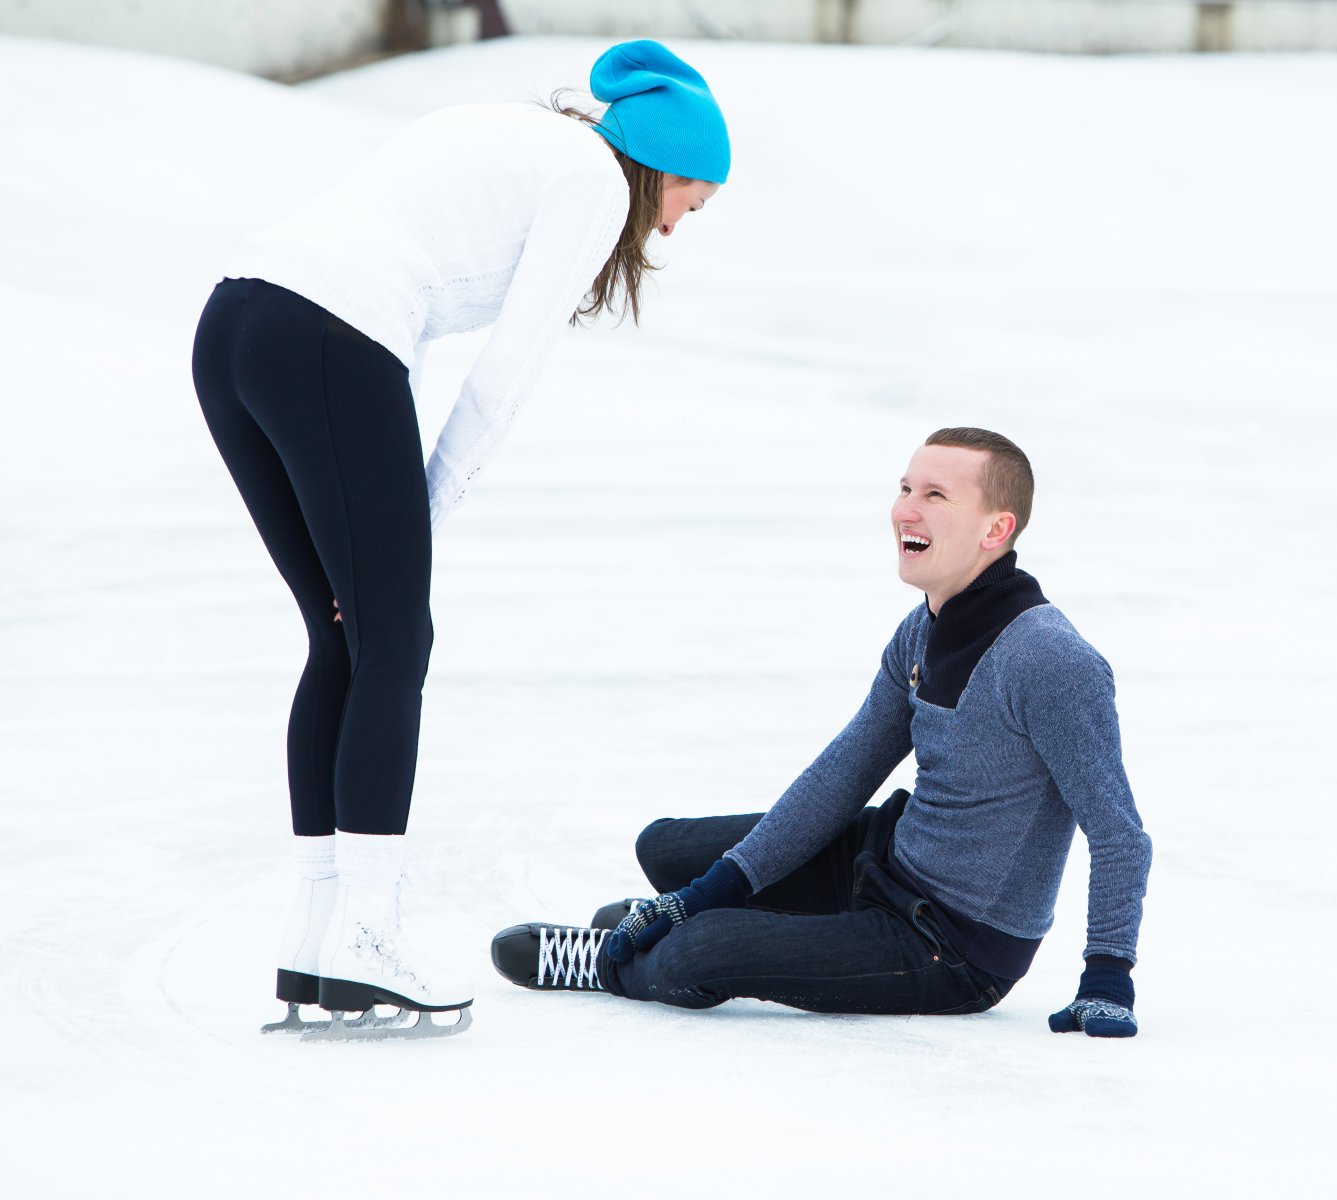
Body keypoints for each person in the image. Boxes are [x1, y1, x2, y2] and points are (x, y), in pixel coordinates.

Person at [191, 41, 731, 1041]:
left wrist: (386, 544)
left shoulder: (522, 135)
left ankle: (317, 931)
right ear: (665, 167)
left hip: (234, 325)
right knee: (394, 642)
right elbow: (505, 375)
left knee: (345, 641)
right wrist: (413, 532)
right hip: (327, 334)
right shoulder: (595, 186)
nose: (679, 223)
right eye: (692, 200)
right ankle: (366, 932)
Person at [492, 428, 1153, 1037]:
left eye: (935, 495)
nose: (906, 510)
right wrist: (704, 893)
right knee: (667, 850)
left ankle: (612, 963)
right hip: (885, 861)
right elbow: (843, 775)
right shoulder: (920, 632)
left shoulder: (1051, 662)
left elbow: (1119, 832)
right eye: (904, 489)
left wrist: (1107, 977)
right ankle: (679, 922)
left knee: (699, 952)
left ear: (995, 529)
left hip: (950, 944)